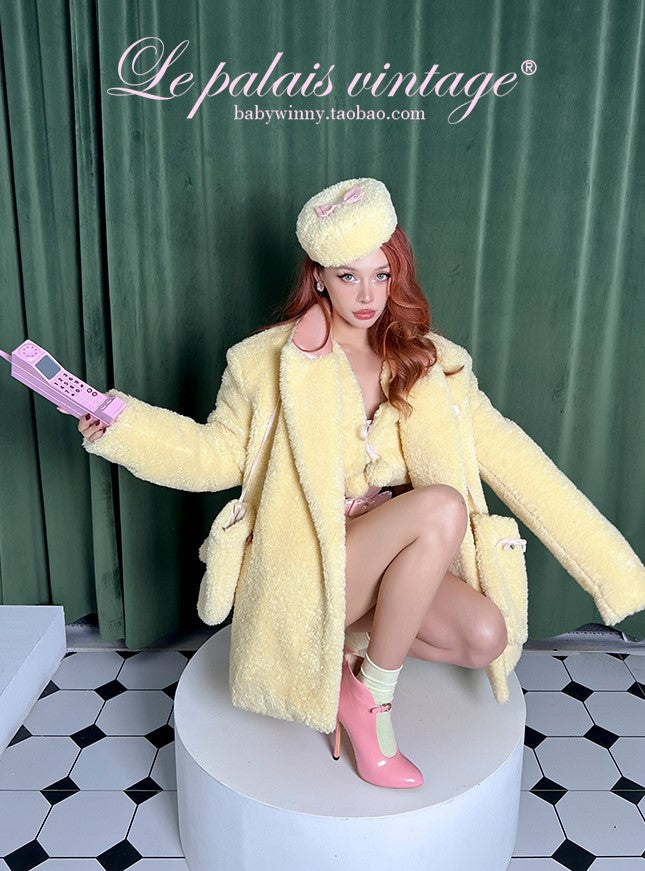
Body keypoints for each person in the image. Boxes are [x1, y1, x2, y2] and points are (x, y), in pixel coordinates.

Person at [59, 177, 645, 790]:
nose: (367, 295)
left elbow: (519, 463)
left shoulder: (429, 364)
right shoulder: (263, 364)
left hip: (384, 564)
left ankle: (348, 662)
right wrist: (119, 426)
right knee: (441, 509)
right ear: (318, 277)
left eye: (380, 275)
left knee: (486, 636)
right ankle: (371, 699)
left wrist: (612, 571)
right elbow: (215, 457)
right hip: (306, 563)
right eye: (347, 276)